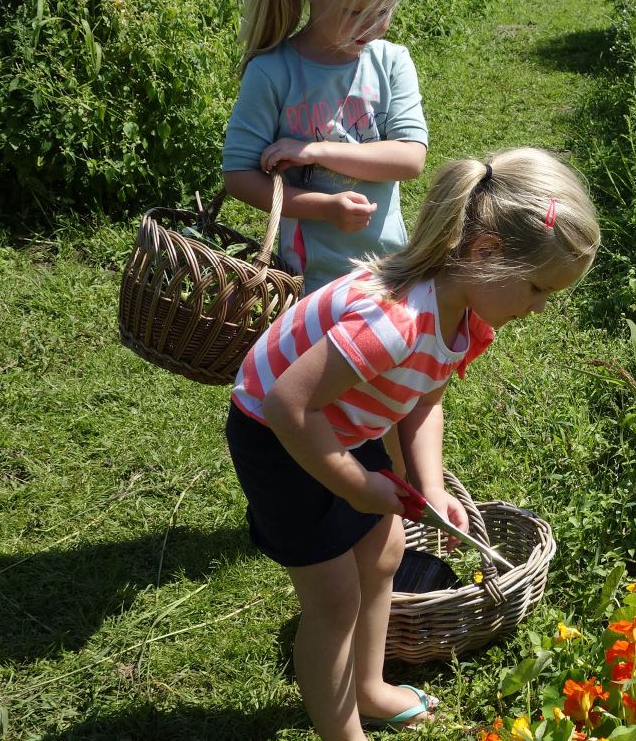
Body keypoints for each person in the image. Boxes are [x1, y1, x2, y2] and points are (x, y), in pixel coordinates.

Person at [225, 148, 600, 739]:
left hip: (340, 419)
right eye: (536, 288)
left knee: (382, 553)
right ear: (485, 254)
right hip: (280, 435)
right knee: (333, 599)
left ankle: (369, 688)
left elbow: (424, 398)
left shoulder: (464, 317)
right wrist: (358, 483)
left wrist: (426, 484)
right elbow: (286, 405)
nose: (539, 307)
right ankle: (341, 730)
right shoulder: (393, 324)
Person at [222, 0, 427, 296]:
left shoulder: (392, 62)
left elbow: (411, 158)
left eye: (383, 11)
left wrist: (315, 151)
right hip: (306, 280)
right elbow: (239, 176)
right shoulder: (273, 72)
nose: (373, 27)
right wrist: (324, 208)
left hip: (388, 270)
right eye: (356, 13)